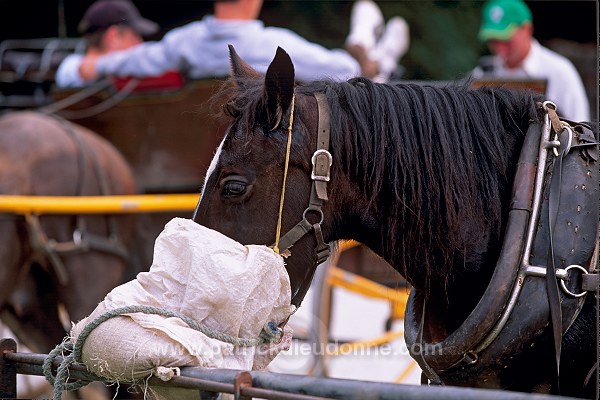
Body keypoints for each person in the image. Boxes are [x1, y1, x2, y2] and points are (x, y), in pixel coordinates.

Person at [77, 0, 409, 84]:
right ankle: (377, 52)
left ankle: (374, 47)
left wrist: (94, 65)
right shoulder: (275, 45)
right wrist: (361, 59)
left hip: (189, 153)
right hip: (260, 160)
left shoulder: (183, 42)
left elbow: (139, 59)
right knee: (365, 71)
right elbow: (349, 71)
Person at [471, 0, 589, 122]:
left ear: (527, 29)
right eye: (493, 41)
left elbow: (578, 129)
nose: (500, 47)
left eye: (506, 39)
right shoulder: (482, 74)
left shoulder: (559, 71)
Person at [55, 0, 159, 88]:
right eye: (134, 36)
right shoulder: (72, 67)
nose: (139, 43)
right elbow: (73, 69)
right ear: (113, 37)